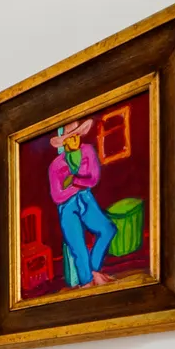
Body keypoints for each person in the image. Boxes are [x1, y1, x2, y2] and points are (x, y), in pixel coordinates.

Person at [46, 119, 116, 289]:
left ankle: (93, 272)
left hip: (86, 199)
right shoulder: (56, 166)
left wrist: (74, 182)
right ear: (64, 142)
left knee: (108, 229)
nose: (75, 140)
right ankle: (86, 282)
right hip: (67, 207)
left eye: (77, 135)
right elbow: (57, 196)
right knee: (78, 247)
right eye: (70, 137)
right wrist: (79, 185)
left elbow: (93, 178)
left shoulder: (88, 151)